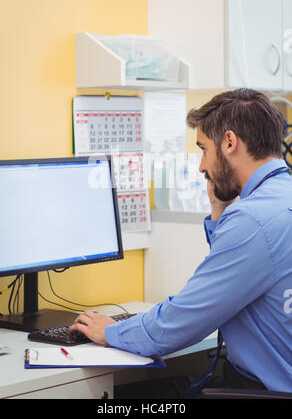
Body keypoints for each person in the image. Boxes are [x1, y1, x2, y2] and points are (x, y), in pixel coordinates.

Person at [70, 88, 292, 397]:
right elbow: (242, 278)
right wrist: (219, 213)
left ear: (229, 142)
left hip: (262, 390)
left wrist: (110, 331)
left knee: (121, 398)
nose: (202, 167)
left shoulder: (252, 220)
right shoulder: (280, 199)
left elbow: (179, 323)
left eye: (203, 149)